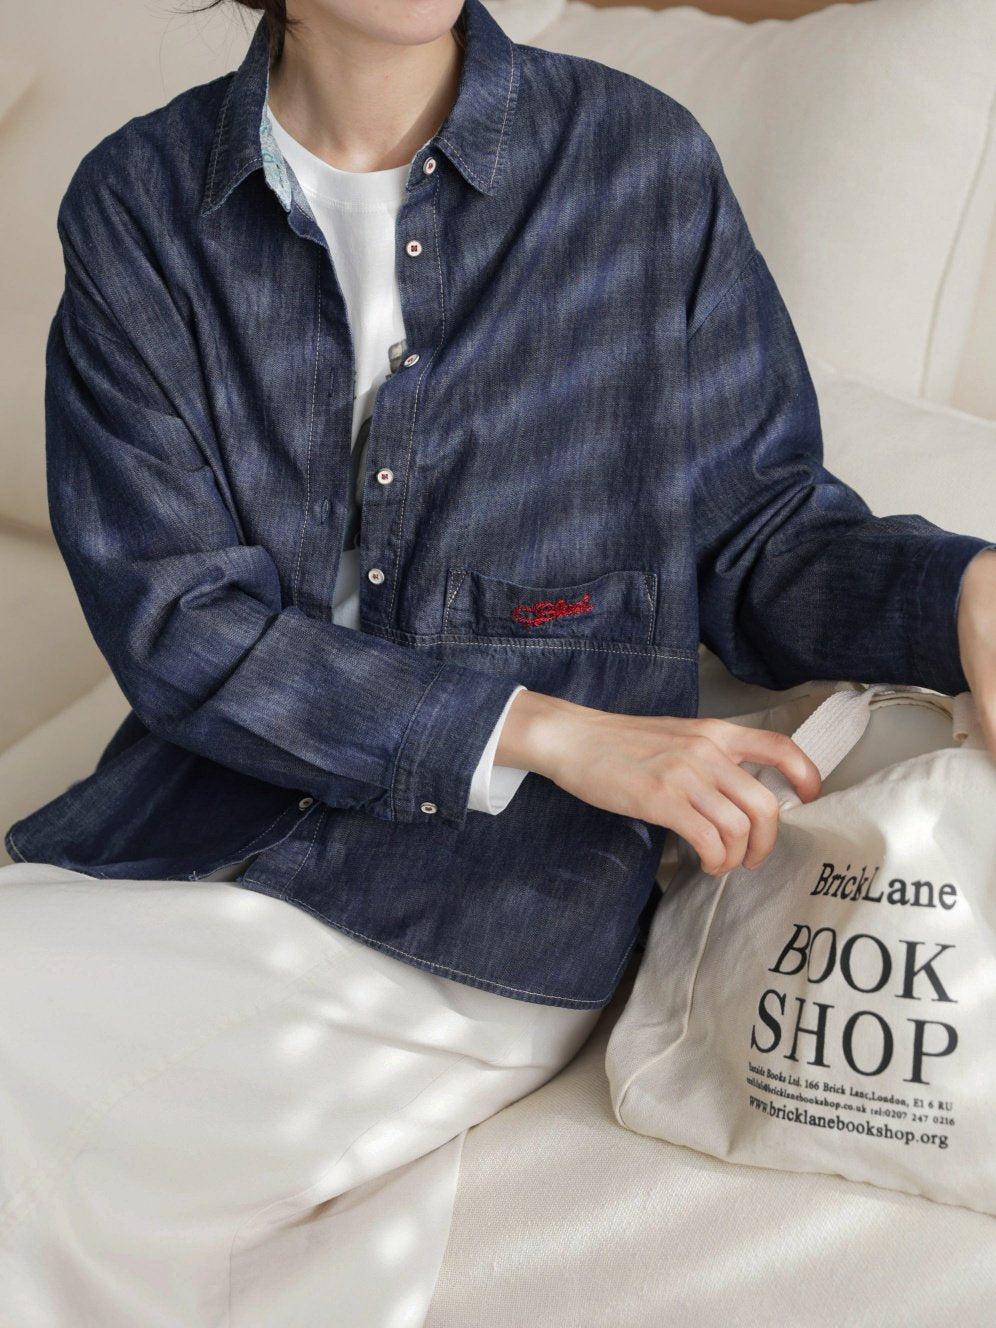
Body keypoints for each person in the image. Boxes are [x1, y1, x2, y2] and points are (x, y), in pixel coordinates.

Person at [1, 0, 994, 1323]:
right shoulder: (140, 200)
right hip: (185, 834)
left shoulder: (635, 165)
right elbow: (179, 624)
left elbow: (759, 542)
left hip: (482, 905)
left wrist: (963, 589)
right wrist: (545, 726)